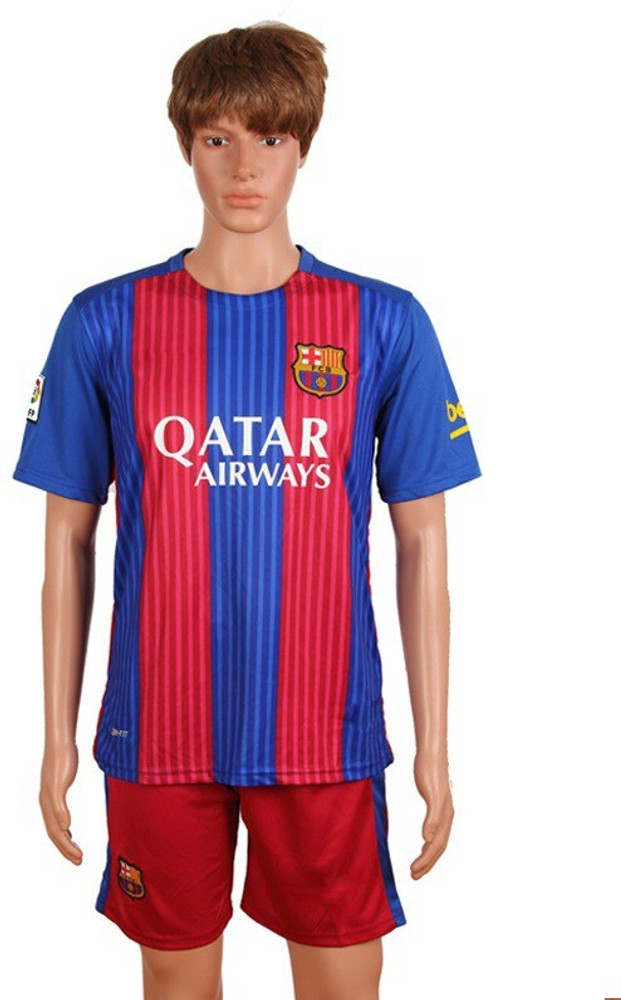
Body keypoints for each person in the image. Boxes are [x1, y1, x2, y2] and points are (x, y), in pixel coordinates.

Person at [12, 20, 482, 1000]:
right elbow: (66, 539)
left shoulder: (383, 321)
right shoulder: (105, 322)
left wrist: (435, 745)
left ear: (303, 144)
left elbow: (424, 541)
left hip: (322, 729)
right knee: (175, 981)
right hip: (156, 727)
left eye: (270, 136)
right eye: (217, 138)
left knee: (342, 982)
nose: (244, 166)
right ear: (186, 146)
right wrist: (55, 734)